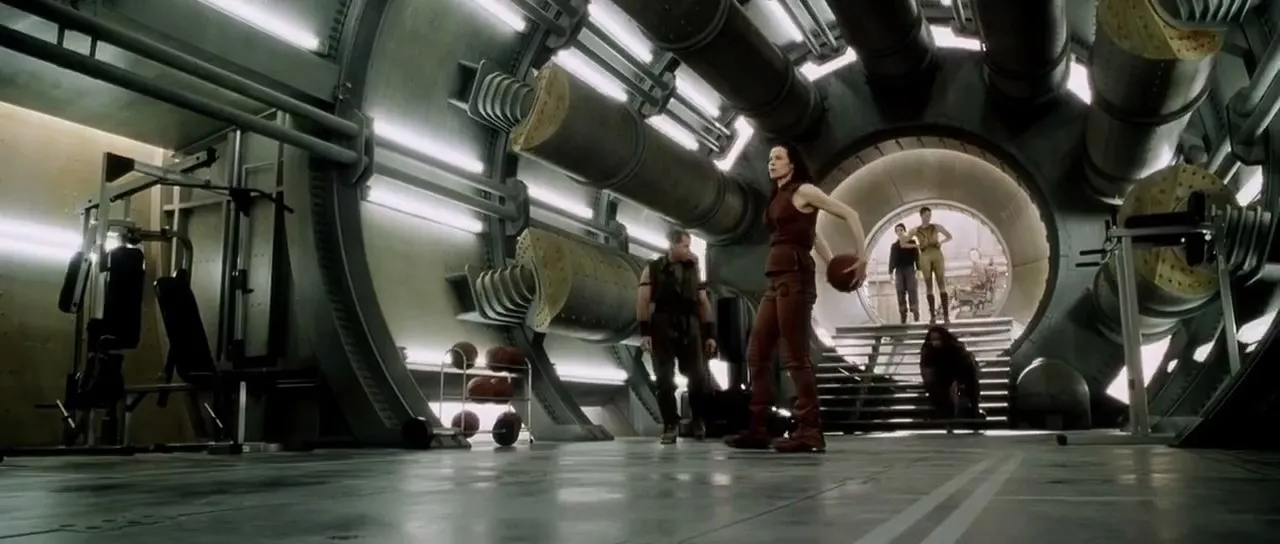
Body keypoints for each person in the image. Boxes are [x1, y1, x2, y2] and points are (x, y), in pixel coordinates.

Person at [724, 142, 867, 454]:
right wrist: (830, 262)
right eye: (769, 158)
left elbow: (850, 213)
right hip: (776, 280)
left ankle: (810, 430)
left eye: (778, 158)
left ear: (792, 164)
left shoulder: (805, 191)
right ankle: (759, 427)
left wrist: (862, 257)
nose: (771, 162)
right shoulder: (779, 197)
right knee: (757, 352)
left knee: (795, 356)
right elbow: (812, 236)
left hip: (795, 279)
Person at [637, 228, 717, 444]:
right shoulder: (653, 269)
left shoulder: (694, 269)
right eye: (685, 246)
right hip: (662, 325)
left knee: (698, 377)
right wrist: (644, 332)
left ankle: (698, 420)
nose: (689, 250)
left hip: (690, 325)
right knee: (664, 379)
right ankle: (670, 424)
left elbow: (703, 302)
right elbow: (643, 300)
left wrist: (710, 334)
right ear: (672, 245)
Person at [919, 326, 983, 421]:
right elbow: (927, 371)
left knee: (970, 383)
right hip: (940, 379)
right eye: (932, 340)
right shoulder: (928, 350)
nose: (935, 342)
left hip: (960, 376)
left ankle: (973, 409)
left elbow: (967, 367)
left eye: (938, 339)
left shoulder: (956, 348)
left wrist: (959, 382)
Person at [909, 207, 953, 323]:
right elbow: (904, 242)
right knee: (929, 285)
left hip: (936, 253)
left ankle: (946, 315)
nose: (928, 217)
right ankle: (932, 315)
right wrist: (917, 246)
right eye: (926, 215)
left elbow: (949, 236)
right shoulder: (916, 230)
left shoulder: (936, 227)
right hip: (925, 255)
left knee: (941, 283)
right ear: (921, 216)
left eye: (929, 215)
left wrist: (941, 242)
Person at [888, 223, 920, 324]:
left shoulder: (912, 243)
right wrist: (890, 272)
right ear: (896, 233)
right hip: (899, 270)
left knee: (912, 290)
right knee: (900, 291)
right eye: (897, 230)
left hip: (910, 268)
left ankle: (916, 314)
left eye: (901, 230)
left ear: (904, 231)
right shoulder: (894, 246)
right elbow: (892, 259)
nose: (900, 232)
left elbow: (916, 256)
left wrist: (919, 269)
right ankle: (903, 314)